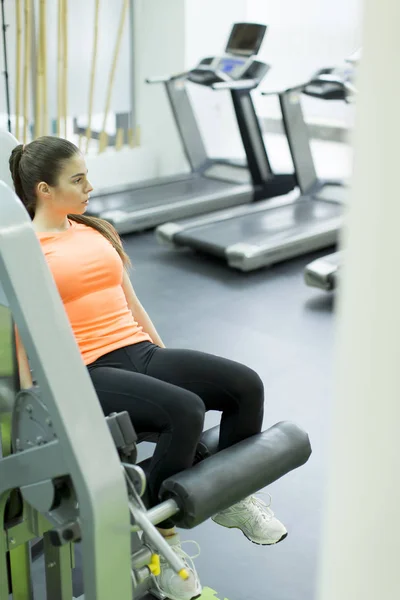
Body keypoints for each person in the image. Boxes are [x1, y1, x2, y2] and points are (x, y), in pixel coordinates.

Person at [10, 136, 287, 600]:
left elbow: (131, 303)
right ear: (44, 190)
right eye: (77, 180)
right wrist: (31, 404)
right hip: (84, 370)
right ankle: (160, 544)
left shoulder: (95, 230)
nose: (89, 187)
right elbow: (21, 332)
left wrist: (163, 358)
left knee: (244, 386)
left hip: (137, 350)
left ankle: (231, 500)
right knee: (185, 411)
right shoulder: (27, 251)